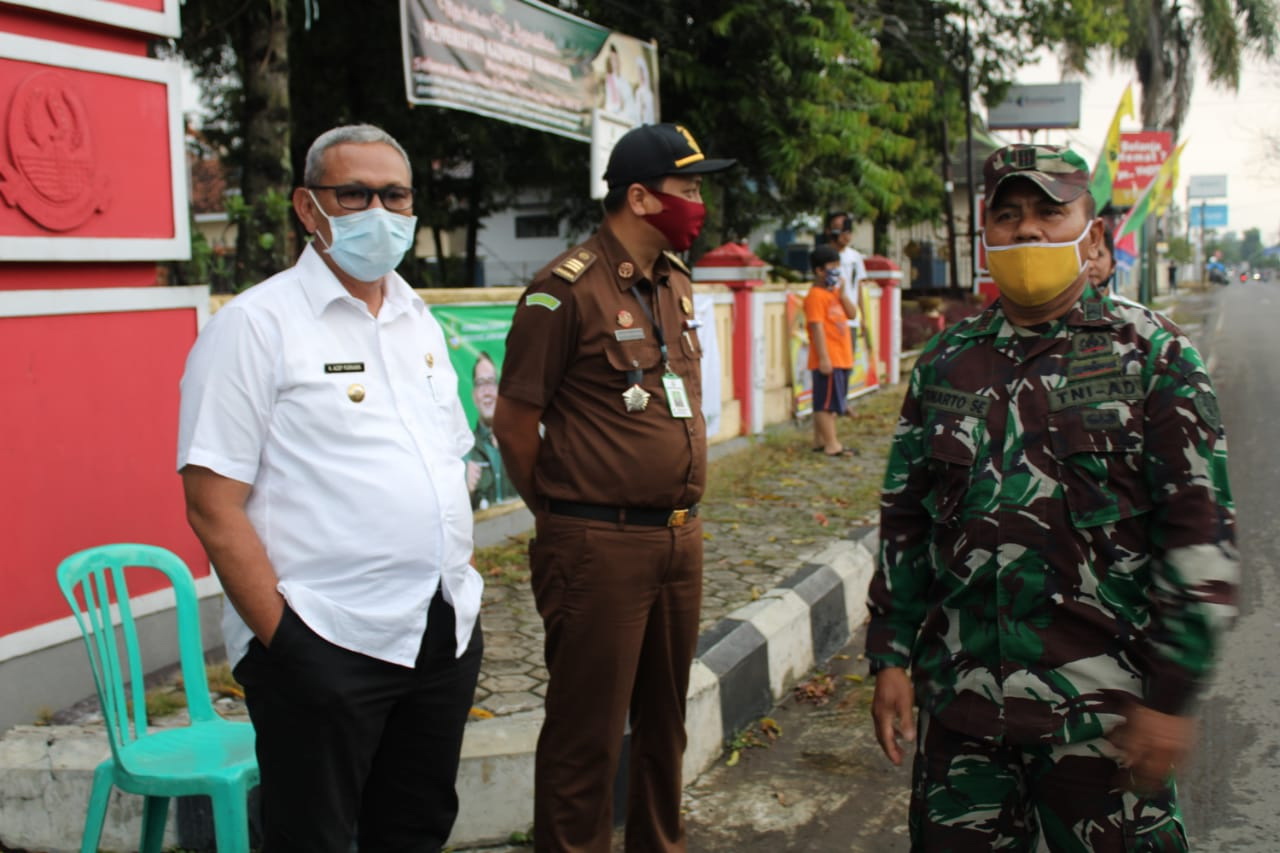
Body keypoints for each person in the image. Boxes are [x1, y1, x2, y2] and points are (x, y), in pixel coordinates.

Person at [867, 143, 1237, 851]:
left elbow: (1201, 542)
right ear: (986, 240)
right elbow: (906, 521)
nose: (1028, 231)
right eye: (1008, 216)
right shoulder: (946, 363)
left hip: (1105, 729)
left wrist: (1170, 700)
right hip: (965, 725)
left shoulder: (1154, 357)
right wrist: (889, 654)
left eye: (1047, 211)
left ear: (1092, 236)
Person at [178, 124, 483, 852]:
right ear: (308, 209)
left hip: (438, 632)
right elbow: (211, 504)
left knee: (414, 828)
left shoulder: (419, 321)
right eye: (354, 194)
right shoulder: (255, 326)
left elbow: (449, 456)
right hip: (325, 639)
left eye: (394, 193)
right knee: (313, 838)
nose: (378, 210)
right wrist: (290, 643)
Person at [493, 122, 734, 852]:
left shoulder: (675, 283)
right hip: (597, 545)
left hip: (677, 538)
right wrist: (568, 514)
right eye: (687, 191)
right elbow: (513, 424)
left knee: (666, 724)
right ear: (639, 196)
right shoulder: (562, 292)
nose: (699, 205)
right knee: (586, 737)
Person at [804, 244, 857, 457]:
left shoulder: (835, 293)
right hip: (828, 358)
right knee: (825, 405)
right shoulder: (816, 296)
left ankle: (820, 440)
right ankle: (832, 444)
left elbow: (853, 314)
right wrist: (824, 358)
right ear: (819, 270)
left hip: (842, 357)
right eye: (832, 266)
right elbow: (816, 327)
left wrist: (843, 295)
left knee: (831, 403)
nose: (837, 269)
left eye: (838, 265)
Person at [465, 352, 513, 510]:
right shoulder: (465, 451)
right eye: (480, 383)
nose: (487, 392)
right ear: (473, 395)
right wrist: (464, 492)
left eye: (491, 382)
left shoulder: (521, 444)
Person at [824, 210, 867, 329]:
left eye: (847, 230)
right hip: (830, 320)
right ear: (828, 230)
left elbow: (858, 287)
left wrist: (863, 317)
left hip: (850, 320)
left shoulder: (855, 257)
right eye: (839, 228)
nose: (845, 234)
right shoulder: (823, 256)